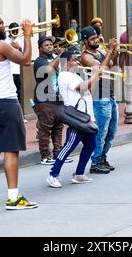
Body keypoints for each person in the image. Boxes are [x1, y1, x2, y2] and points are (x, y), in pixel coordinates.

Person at [0, 12, 37, 210]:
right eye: (0, 23)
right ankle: (13, 197)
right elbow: (26, 60)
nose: (4, 25)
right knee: (11, 149)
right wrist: (27, 35)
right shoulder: (0, 45)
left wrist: (16, 46)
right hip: (7, 102)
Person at [46, 51, 101, 188]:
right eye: (74, 60)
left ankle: (79, 174)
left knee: (91, 145)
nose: (77, 62)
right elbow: (82, 87)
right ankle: (53, 175)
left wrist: (96, 77)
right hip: (77, 118)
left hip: (86, 117)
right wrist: (94, 73)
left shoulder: (74, 75)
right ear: (66, 63)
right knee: (68, 147)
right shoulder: (66, 75)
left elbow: (89, 91)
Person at [81, 26, 118, 174]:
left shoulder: (100, 51)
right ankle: (95, 162)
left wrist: (113, 51)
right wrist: (109, 52)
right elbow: (100, 70)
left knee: (111, 132)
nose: (96, 40)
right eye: (92, 39)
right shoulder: (86, 56)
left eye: (96, 37)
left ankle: (102, 157)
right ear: (85, 41)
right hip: (98, 97)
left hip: (109, 95)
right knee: (101, 132)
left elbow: (109, 64)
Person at [33, 35, 71, 165]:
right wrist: (60, 55)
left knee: (58, 128)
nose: (50, 47)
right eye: (46, 45)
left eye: (51, 45)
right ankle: (45, 156)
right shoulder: (39, 61)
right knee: (45, 129)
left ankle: (58, 155)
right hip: (45, 99)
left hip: (57, 98)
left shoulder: (53, 59)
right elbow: (48, 70)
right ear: (40, 48)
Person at [6, 22, 25, 119]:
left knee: (18, 93)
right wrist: (12, 46)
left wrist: (20, 47)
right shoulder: (5, 40)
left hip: (17, 71)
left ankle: (20, 116)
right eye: (14, 30)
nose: (15, 32)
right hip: (8, 72)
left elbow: (23, 56)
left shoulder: (19, 40)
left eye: (17, 30)